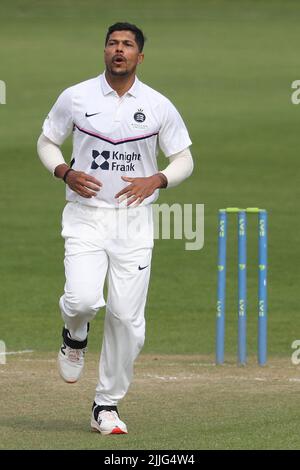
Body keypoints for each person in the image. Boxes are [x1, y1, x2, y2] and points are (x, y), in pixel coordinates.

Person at [37, 22, 193, 435]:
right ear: (104, 52)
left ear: (140, 57)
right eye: (112, 44)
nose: (118, 50)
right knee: (84, 299)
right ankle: (74, 334)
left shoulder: (159, 105)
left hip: (134, 224)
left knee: (127, 318)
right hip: (86, 216)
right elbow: (46, 141)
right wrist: (63, 170)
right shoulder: (76, 96)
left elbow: (184, 159)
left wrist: (157, 179)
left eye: (127, 45)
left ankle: (105, 405)